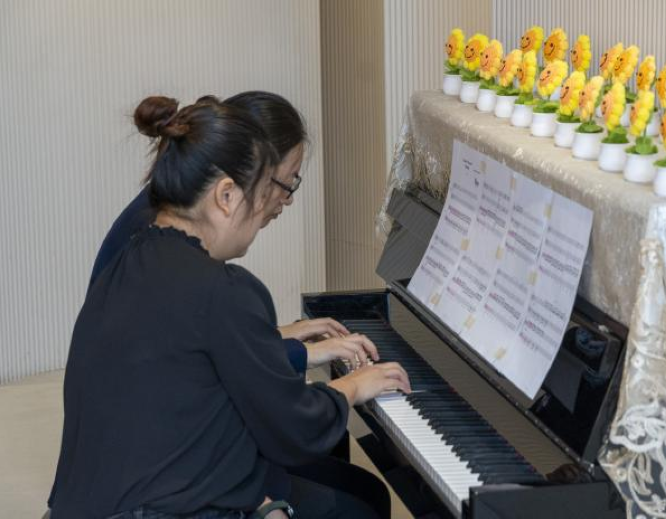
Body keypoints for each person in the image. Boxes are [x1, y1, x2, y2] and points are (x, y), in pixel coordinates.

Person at [47, 95, 410, 519]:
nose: (272, 207)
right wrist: (353, 387)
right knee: (355, 508)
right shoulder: (223, 290)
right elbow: (296, 429)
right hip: (155, 507)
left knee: (353, 495)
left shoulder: (131, 255)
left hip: (91, 501)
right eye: (267, 191)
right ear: (225, 195)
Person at [89, 91, 367, 376]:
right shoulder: (167, 242)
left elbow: (195, 341)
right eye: (287, 182)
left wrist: (276, 337)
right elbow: (192, 365)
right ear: (251, 169)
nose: (288, 199)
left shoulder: (164, 217)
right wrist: (327, 370)